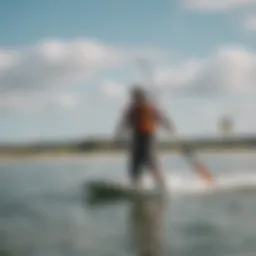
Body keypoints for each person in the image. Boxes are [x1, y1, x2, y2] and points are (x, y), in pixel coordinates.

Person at [114, 85, 175, 191]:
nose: (134, 98)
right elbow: (124, 123)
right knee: (135, 161)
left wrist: (168, 127)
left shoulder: (150, 107)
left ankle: (161, 184)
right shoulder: (132, 109)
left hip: (148, 136)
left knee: (149, 158)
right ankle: (135, 184)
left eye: (136, 96)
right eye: (134, 96)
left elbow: (161, 118)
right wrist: (118, 136)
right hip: (137, 136)